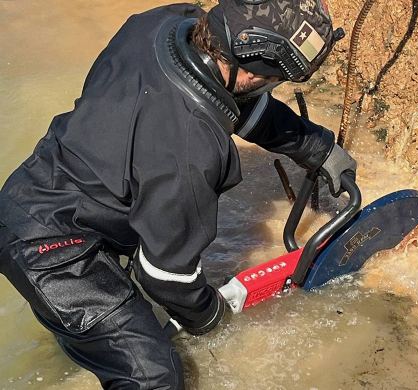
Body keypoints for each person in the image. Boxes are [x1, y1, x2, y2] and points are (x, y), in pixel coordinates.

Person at [0, 0, 356, 388]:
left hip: (43, 189)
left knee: (105, 335)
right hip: (51, 251)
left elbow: (238, 104)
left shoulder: (167, 23)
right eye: (272, 79)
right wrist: (212, 316)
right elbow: (165, 278)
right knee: (155, 376)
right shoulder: (190, 150)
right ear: (254, 74)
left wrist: (318, 148)